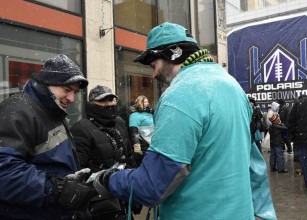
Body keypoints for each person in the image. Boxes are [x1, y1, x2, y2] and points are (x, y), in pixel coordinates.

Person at [94, 22, 276, 219]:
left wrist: (108, 179)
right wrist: (265, 213)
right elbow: (254, 164)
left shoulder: (181, 94)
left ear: (173, 54)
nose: (153, 74)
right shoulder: (233, 87)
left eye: (154, 65)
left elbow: (152, 185)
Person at [0, 54, 97, 220]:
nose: (72, 98)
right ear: (47, 84)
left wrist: (71, 182)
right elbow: (5, 172)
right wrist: (56, 188)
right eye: (67, 90)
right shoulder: (17, 110)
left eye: (74, 92)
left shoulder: (52, 111)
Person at [70, 85, 139, 219]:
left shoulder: (119, 122)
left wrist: (135, 191)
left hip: (124, 194)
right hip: (99, 202)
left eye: (111, 100)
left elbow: (129, 156)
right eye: (103, 101)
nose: (109, 104)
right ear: (92, 104)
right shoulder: (81, 129)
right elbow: (79, 170)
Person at [128, 95, 154, 165]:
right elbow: (134, 134)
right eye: (145, 102)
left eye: (147, 101)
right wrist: (137, 150)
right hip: (143, 147)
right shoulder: (134, 116)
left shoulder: (149, 113)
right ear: (140, 103)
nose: (148, 103)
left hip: (151, 146)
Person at [267, 102, 288, 173]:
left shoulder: (271, 126)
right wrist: (280, 123)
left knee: (272, 155)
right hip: (278, 143)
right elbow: (285, 128)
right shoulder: (277, 126)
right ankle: (281, 169)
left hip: (272, 143)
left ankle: (272, 167)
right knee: (279, 155)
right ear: (276, 119)